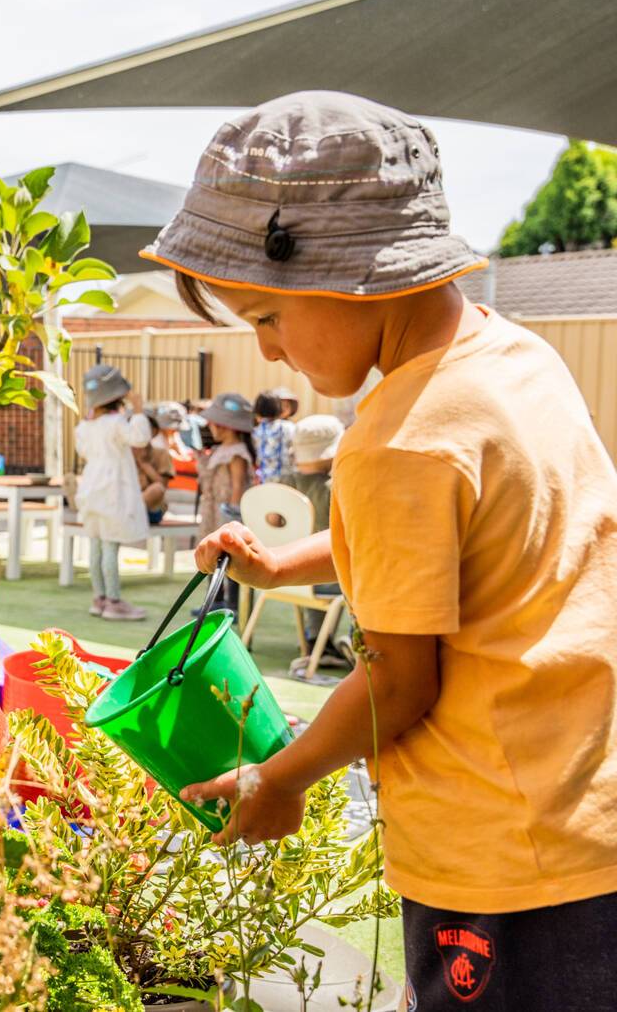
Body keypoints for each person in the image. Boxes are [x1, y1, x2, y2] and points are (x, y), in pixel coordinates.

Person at [144, 90, 617, 1011]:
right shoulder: (514, 360)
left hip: (498, 849)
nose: (269, 355)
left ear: (342, 273)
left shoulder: (397, 438)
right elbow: (460, 542)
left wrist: (276, 782)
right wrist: (283, 565)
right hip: (586, 803)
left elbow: (402, 681)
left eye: (266, 319)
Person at [72, 365, 150, 621]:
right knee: (109, 547)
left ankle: (100, 598)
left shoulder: (86, 426)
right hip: (113, 490)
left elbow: (83, 450)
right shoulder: (116, 423)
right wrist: (138, 411)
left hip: (91, 488)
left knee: (95, 544)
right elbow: (140, 438)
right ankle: (114, 601)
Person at [281, 415, 353, 667]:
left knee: (313, 573)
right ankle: (357, 641)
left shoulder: (283, 483)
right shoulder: (337, 486)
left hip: (290, 575)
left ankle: (315, 640)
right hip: (332, 577)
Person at [194, 392, 253, 613]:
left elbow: (238, 484)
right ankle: (214, 601)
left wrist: (233, 513)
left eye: (213, 423)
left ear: (226, 425)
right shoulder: (220, 450)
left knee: (230, 557)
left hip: (226, 511)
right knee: (212, 553)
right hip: (213, 509)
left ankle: (233, 605)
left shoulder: (237, 452)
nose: (210, 427)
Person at [251, 390, 295, 483]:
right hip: (286, 480)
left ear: (257, 411)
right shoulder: (288, 427)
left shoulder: (255, 432)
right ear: (278, 409)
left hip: (263, 481)